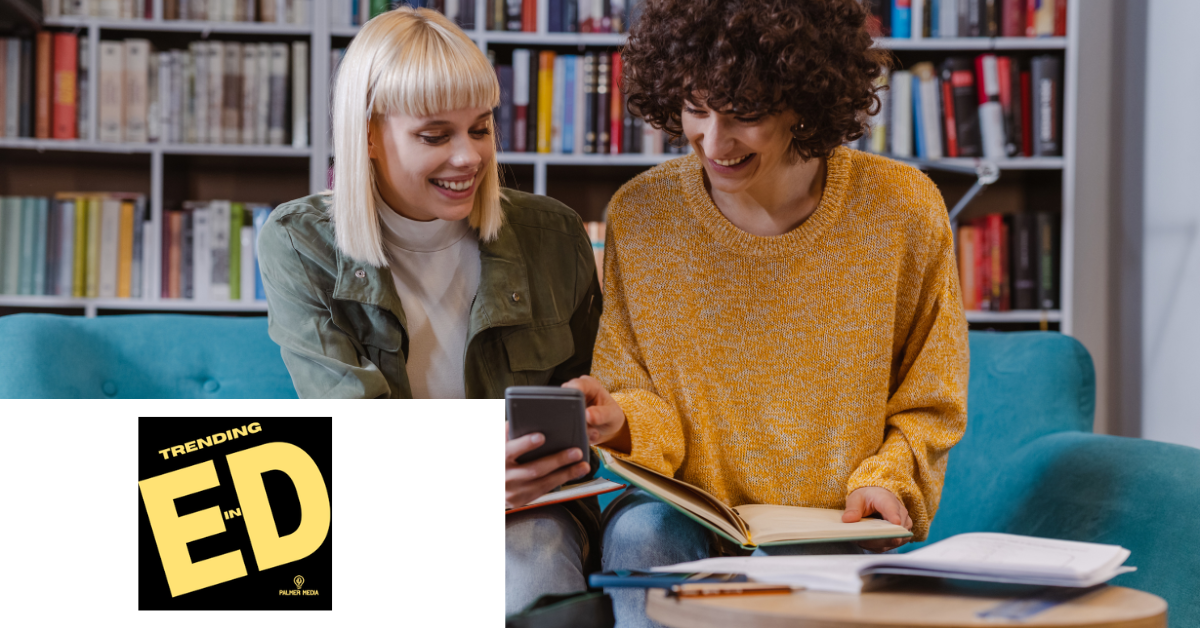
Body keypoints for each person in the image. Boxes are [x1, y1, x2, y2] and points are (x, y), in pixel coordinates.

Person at [563, 0, 970, 625]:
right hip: (683, 516)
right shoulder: (641, 216)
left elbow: (930, 398)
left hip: (834, 520)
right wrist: (619, 420)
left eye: (745, 114)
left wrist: (888, 480)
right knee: (643, 537)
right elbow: (636, 389)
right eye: (695, 108)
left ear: (804, 97)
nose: (714, 140)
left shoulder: (902, 210)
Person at [254, 7, 603, 615]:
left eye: (481, 129)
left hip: (533, 513)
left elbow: (591, 410)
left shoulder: (556, 234)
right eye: (435, 135)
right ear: (366, 133)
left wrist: (598, 416)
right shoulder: (298, 242)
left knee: (535, 554)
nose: (469, 157)